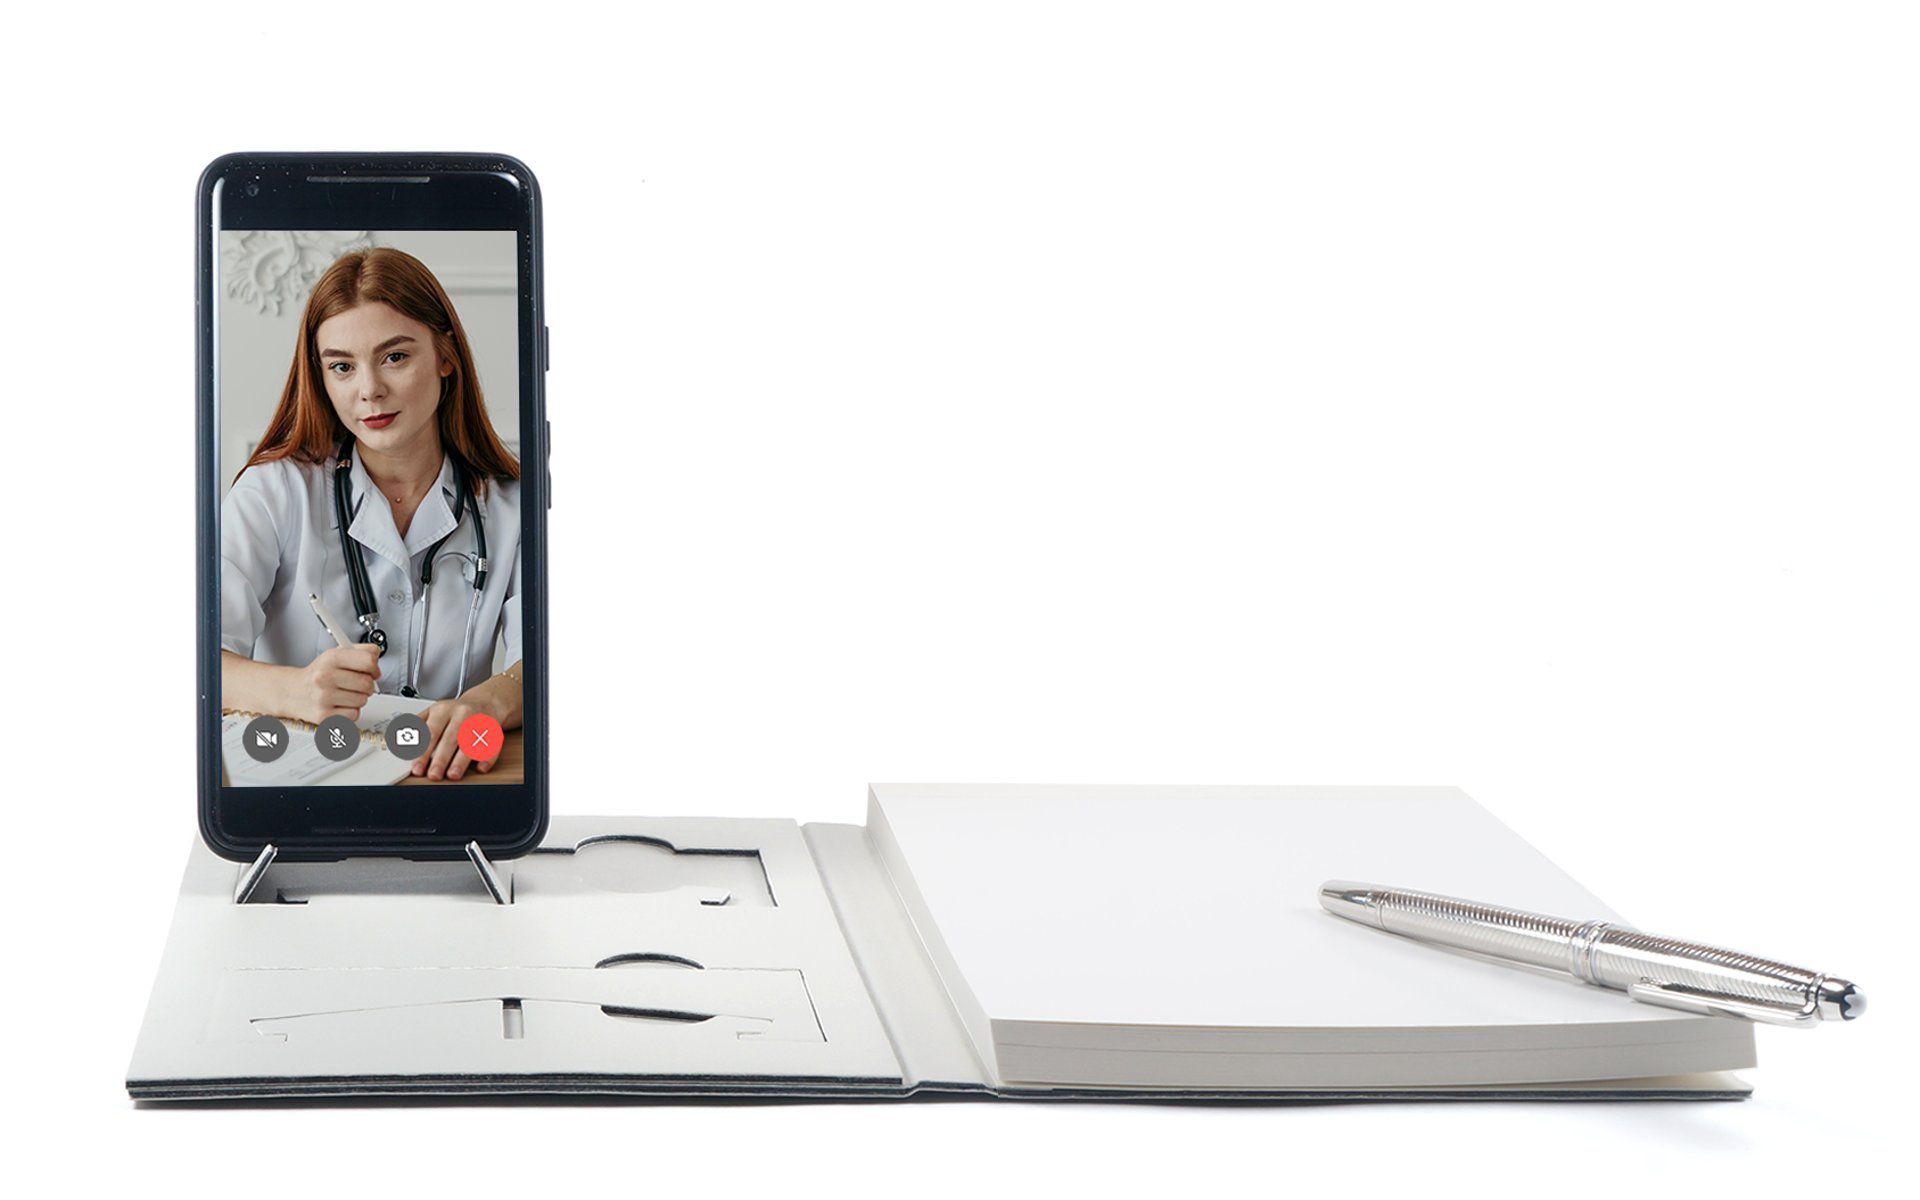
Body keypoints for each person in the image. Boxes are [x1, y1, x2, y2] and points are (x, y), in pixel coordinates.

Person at [222, 247, 523, 782]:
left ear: (445, 357)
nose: (369, 390)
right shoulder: (274, 492)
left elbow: (548, 663)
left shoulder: (512, 505)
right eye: (342, 366)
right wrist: (295, 689)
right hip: (305, 787)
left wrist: (494, 699)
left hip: (450, 785)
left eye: (395, 357)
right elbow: (196, 662)